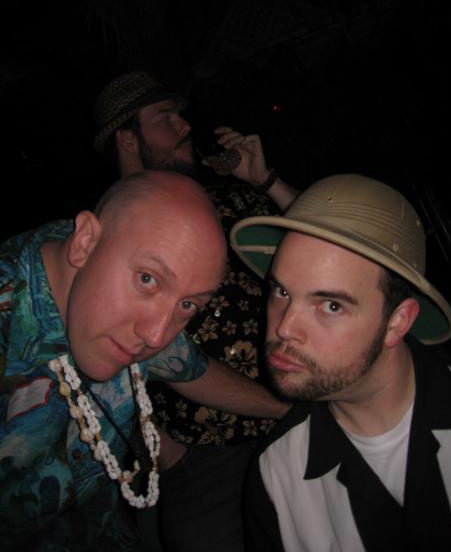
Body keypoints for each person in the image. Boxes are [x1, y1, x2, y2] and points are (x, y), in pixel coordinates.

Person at [0, 170, 286, 552]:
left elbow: (191, 369)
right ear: (84, 241)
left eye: (188, 305)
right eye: (148, 280)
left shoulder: (106, 266)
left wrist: (290, 411)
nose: (156, 336)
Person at [92, 69, 298, 551]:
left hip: (295, 420)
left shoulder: (227, 198)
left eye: (180, 115)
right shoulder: (106, 232)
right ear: (127, 138)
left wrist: (266, 181)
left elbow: (335, 250)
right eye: (165, 118)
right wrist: (171, 455)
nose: (185, 126)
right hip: (207, 458)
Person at [230, 172, 451, 551]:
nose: (284, 328)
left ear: (397, 322)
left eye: (331, 305)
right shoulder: (276, 475)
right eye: (281, 291)